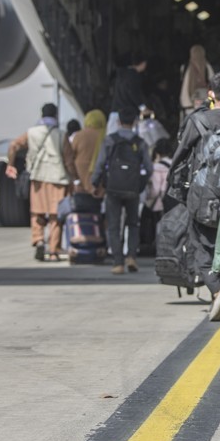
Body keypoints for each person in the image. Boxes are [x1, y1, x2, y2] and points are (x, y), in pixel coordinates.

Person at [170, 70, 220, 321]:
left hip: (202, 195)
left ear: (211, 93)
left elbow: (180, 157)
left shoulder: (198, 121)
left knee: (201, 246)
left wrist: (175, 186)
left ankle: (217, 290)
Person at [6, 103, 75, 262]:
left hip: (37, 178)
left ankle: (38, 240)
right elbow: (69, 160)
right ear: (56, 115)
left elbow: (13, 145)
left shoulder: (31, 133)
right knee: (55, 216)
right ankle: (53, 250)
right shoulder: (61, 134)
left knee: (37, 212)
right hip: (57, 179)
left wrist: (10, 165)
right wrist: (74, 178)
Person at [92, 107, 152, 274]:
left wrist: (95, 182)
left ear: (118, 122)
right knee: (133, 223)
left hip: (113, 188)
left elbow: (100, 164)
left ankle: (118, 262)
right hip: (133, 189)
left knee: (113, 225)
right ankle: (131, 256)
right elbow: (149, 168)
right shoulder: (140, 143)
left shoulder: (110, 141)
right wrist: (140, 183)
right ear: (134, 122)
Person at [69, 110, 106, 195]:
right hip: (98, 179)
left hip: (80, 176)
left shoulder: (79, 135)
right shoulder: (104, 136)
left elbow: (71, 156)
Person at [108, 52, 148, 134]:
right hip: (128, 116)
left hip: (115, 113)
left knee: (112, 139)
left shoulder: (120, 75)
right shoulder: (133, 76)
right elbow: (134, 93)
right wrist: (143, 108)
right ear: (143, 63)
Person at [179, 44, 215, 118]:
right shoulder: (207, 67)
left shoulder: (185, 67)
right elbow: (214, 83)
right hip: (205, 105)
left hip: (188, 105)